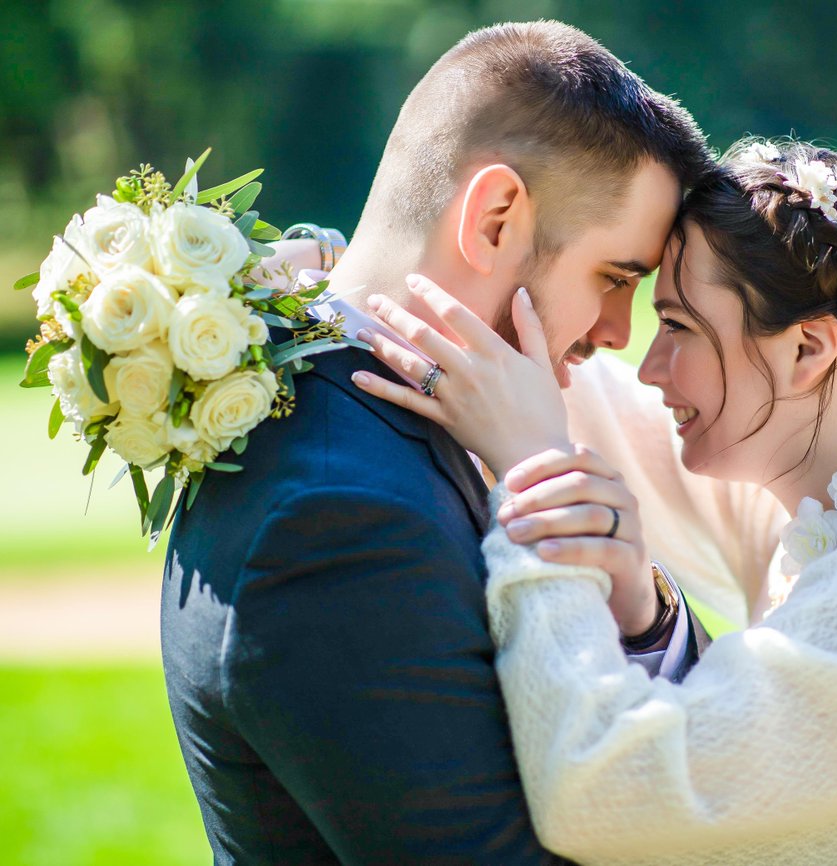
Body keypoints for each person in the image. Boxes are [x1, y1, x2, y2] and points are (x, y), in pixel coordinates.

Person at [355, 139, 837, 865]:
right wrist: (359, 276)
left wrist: (538, 473)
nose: (647, 366)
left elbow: (603, 790)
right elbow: (579, 399)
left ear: (808, 351)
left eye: (678, 325)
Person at [161, 20, 734, 864]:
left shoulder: (366, 418)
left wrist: (639, 614)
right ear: (497, 218)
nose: (619, 331)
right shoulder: (336, 514)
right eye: (616, 278)